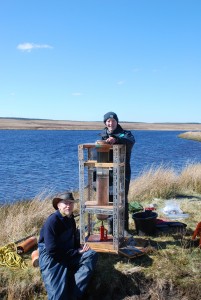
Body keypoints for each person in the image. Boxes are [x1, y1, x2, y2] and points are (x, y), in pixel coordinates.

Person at [38, 191, 98, 300]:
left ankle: (74, 294)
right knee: (58, 296)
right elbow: (52, 250)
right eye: (65, 203)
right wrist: (75, 252)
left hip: (67, 252)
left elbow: (73, 237)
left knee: (91, 255)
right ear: (58, 205)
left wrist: (78, 247)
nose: (68, 206)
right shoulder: (52, 222)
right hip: (52, 257)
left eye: (71, 203)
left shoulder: (70, 218)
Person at [100, 112, 135, 236]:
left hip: (122, 171)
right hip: (106, 172)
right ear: (105, 123)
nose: (111, 123)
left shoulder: (125, 134)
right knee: (109, 198)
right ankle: (111, 227)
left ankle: (124, 228)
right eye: (108, 121)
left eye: (113, 121)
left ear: (117, 122)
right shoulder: (102, 135)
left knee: (122, 198)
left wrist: (116, 139)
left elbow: (130, 141)